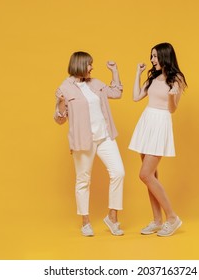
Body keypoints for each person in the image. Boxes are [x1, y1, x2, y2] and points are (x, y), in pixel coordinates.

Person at [54, 51, 125, 237]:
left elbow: (116, 93)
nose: (92, 67)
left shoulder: (95, 83)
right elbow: (60, 119)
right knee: (83, 180)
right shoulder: (65, 88)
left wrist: (114, 71)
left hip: (105, 136)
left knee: (118, 172)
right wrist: (61, 102)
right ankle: (85, 222)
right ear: (79, 65)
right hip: (84, 141)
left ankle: (112, 217)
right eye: (89, 64)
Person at [129, 42, 187, 237]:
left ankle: (172, 217)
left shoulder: (176, 79)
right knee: (151, 176)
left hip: (161, 123)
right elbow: (136, 97)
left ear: (164, 56)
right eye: (151, 56)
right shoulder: (153, 77)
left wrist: (172, 96)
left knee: (145, 174)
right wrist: (137, 73)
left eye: (155, 56)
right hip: (147, 122)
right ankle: (156, 220)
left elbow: (172, 109)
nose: (152, 60)